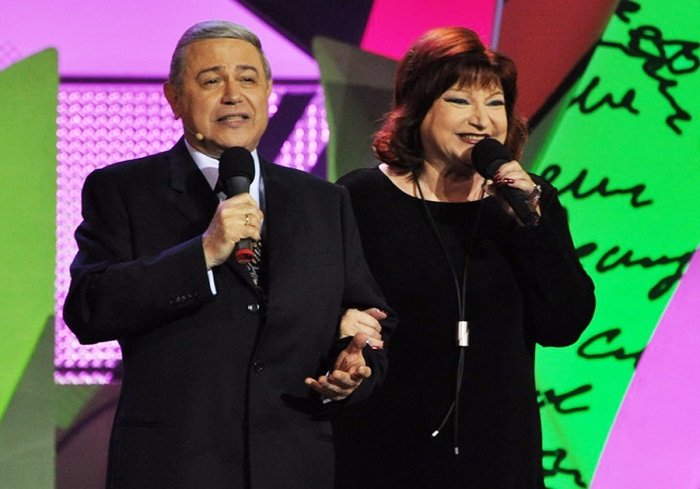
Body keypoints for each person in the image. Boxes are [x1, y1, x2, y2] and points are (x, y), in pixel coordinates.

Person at [62, 20, 395, 489]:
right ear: (174, 98)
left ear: (268, 91)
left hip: (293, 466)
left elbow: (369, 318)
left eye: (248, 78)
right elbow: (89, 308)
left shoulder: (323, 201)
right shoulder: (124, 189)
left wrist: (353, 368)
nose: (233, 95)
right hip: (175, 466)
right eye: (211, 80)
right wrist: (202, 253)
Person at [334, 27, 595, 488]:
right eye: (459, 100)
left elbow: (564, 324)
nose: (481, 120)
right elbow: (325, 315)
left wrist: (533, 223)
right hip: (385, 454)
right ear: (418, 107)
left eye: (495, 103)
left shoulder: (529, 201)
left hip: (499, 458)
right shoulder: (359, 198)